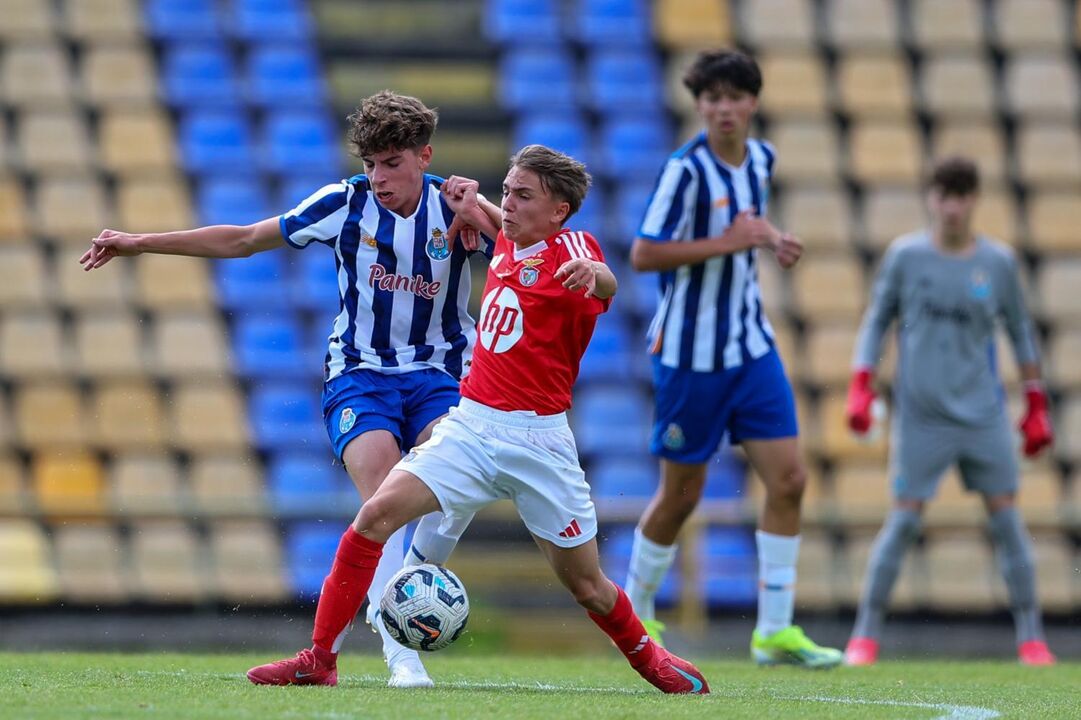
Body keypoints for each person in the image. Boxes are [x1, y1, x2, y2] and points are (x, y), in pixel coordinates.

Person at [245, 144, 711, 694]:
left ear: (559, 209)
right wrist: (471, 201)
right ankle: (319, 659)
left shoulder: (573, 250)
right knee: (373, 519)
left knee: (588, 585)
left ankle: (652, 662)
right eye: (507, 191)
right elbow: (496, 223)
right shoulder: (509, 240)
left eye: (522, 195)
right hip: (469, 426)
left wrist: (596, 274)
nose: (507, 203)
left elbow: (602, 278)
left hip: (539, 443)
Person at [80, 91, 504, 688]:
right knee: (380, 500)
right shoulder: (344, 204)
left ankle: (412, 577)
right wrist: (141, 242)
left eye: (392, 164)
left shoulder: (455, 208)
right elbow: (245, 238)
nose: (378, 178)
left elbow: (528, 252)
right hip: (361, 373)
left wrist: (481, 208)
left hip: (441, 374)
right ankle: (400, 656)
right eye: (370, 164)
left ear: (424, 157)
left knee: (456, 480)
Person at [624, 48, 842, 668]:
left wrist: (771, 239)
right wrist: (730, 241)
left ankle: (773, 630)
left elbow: (747, 224)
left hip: (750, 344)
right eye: (711, 98)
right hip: (691, 355)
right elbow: (643, 254)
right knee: (681, 496)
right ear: (700, 105)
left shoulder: (762, 158)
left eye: (733, 97)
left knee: (791, 480)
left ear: (752, 102)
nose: (722, 108)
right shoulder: (685, 171)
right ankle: (637, 616)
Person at [843, 156, 1057, 667]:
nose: (953, 206)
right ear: (931, 198)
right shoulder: (906, 256)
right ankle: (864, 637)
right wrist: (861, 382)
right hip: (922, 418)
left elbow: (1020, 331)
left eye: (962, 195)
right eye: (945, 194)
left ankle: (1032, 639)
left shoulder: (998, 264)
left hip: (982, 414)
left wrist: (1034, 401)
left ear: (974, 200)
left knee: (1007, 523)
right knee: (903, 524)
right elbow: (877, 320)